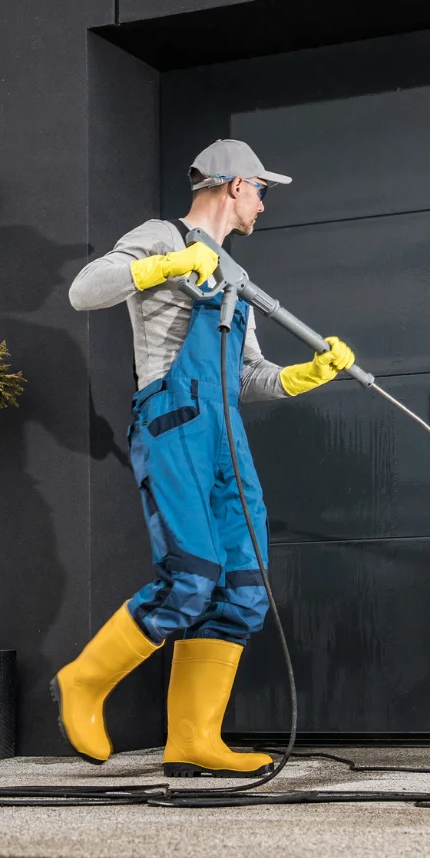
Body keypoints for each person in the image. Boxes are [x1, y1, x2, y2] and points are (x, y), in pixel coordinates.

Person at [53, 140, 356, 776]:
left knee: (244, 587)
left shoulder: (236, 280)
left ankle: (192, 739)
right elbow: (85, 290)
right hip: (175, 421)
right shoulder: (162, 237)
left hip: (225, 432)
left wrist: (305, 376)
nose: (264, 205)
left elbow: (248, 375)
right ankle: (83, 681)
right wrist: (164, 267)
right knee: (191, 576)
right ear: (236, 185)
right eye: (262, 191)